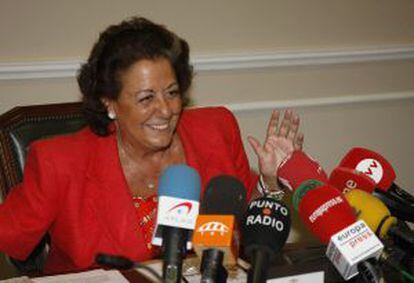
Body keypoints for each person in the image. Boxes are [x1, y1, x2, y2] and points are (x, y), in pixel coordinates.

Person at [0, 17, 303, 274]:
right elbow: (8, 240)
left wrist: (269, 183)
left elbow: (248, 226)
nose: (166, 110)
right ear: (110, 103)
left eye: (172, 92)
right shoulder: (60, 162)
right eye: (146, 98)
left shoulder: (216, 131)